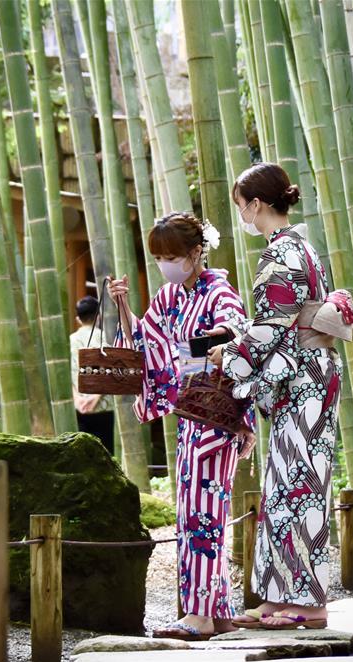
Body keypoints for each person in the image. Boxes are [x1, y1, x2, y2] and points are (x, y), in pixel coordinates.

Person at [209, 162, 353, 630]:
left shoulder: (282, 253)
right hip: (306, 373)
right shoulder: (301, 246)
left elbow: (273, 326)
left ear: (256, 204)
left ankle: (309, 603)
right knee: (282, 486)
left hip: (305, 376)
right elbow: (281, 320)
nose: (241, 215)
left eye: (241, 206)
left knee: (301, 485)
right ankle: (278, 596)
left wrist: (229, 355)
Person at [109, 212, 256, 640]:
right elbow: (146, 339)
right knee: (197, 511)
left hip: (215, 413)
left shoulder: (218, 290)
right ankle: (218, 610)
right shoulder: (171, 294)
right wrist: (121, 306)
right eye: (158, 257)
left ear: (196, 252)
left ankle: (198, 615)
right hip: (191, 413)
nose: (165, 264)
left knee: (202, 512)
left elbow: (236, 331)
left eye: (172, 256)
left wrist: (203, 346)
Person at [69, 295, 115, 454]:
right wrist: (95, 397)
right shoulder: (107, 338)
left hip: (79, 407)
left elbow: (64, 375)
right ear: (99, 316)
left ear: (78, 319)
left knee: (82, 456)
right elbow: (112, 370)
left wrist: (78, 399)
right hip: (104, 407)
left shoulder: (70, 340)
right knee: (106, 454)